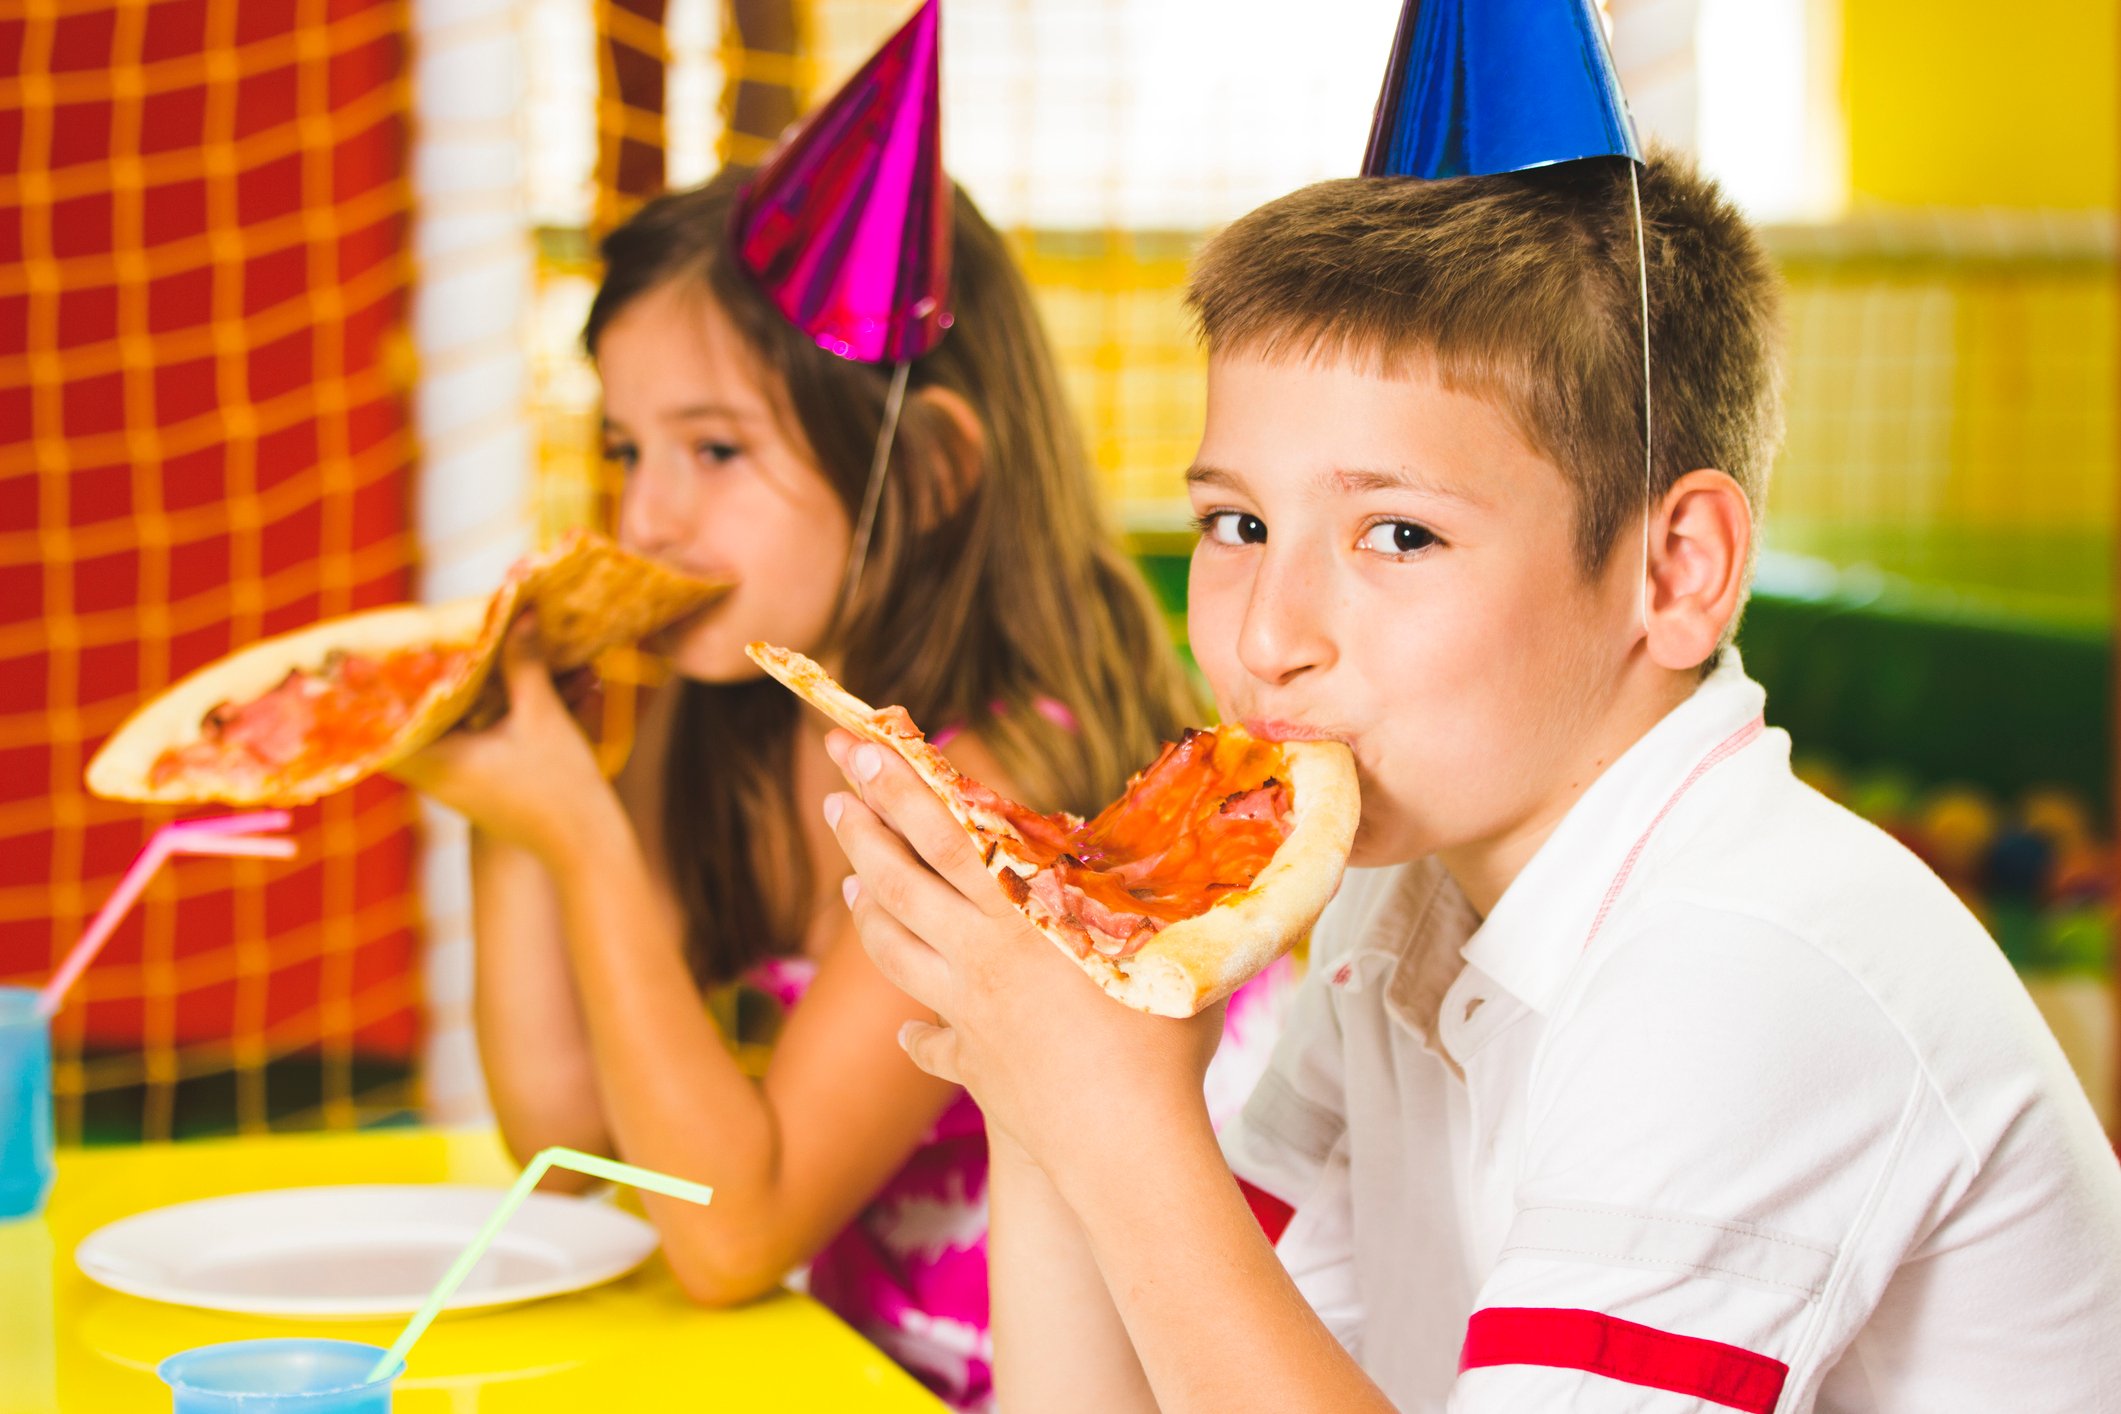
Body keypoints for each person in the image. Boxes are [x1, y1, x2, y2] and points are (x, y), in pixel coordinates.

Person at [821, 150, 2121, 1411]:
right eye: (1237, 524)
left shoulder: (1738, 962)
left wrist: (1115, 1117)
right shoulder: (1403, 908)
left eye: (1399, 533)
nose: (1269, 636)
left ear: (1675, 570)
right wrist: (1038, 1082)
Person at [390, 161, 1206, 1410]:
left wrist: (581, 833)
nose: (644, 515)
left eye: (715, 449)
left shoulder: (992, 796)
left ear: (929, 474)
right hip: (838, 1367)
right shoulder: (724, 715)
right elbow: (562, 1140)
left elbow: (730, 1235)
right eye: (624, 448)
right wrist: (515, 795)